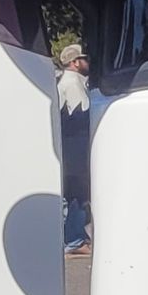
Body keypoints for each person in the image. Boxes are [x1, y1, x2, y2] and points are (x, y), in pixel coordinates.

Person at [56, 41, 92, 255]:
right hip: (76, 147)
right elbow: (81, 117)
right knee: (77, 192)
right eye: (84, 58)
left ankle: (75, 237)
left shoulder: (68, 82)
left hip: (70, 147)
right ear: (75, 62)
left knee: (73, 193)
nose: (87, 62)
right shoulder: (72, 84)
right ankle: (75, 239)